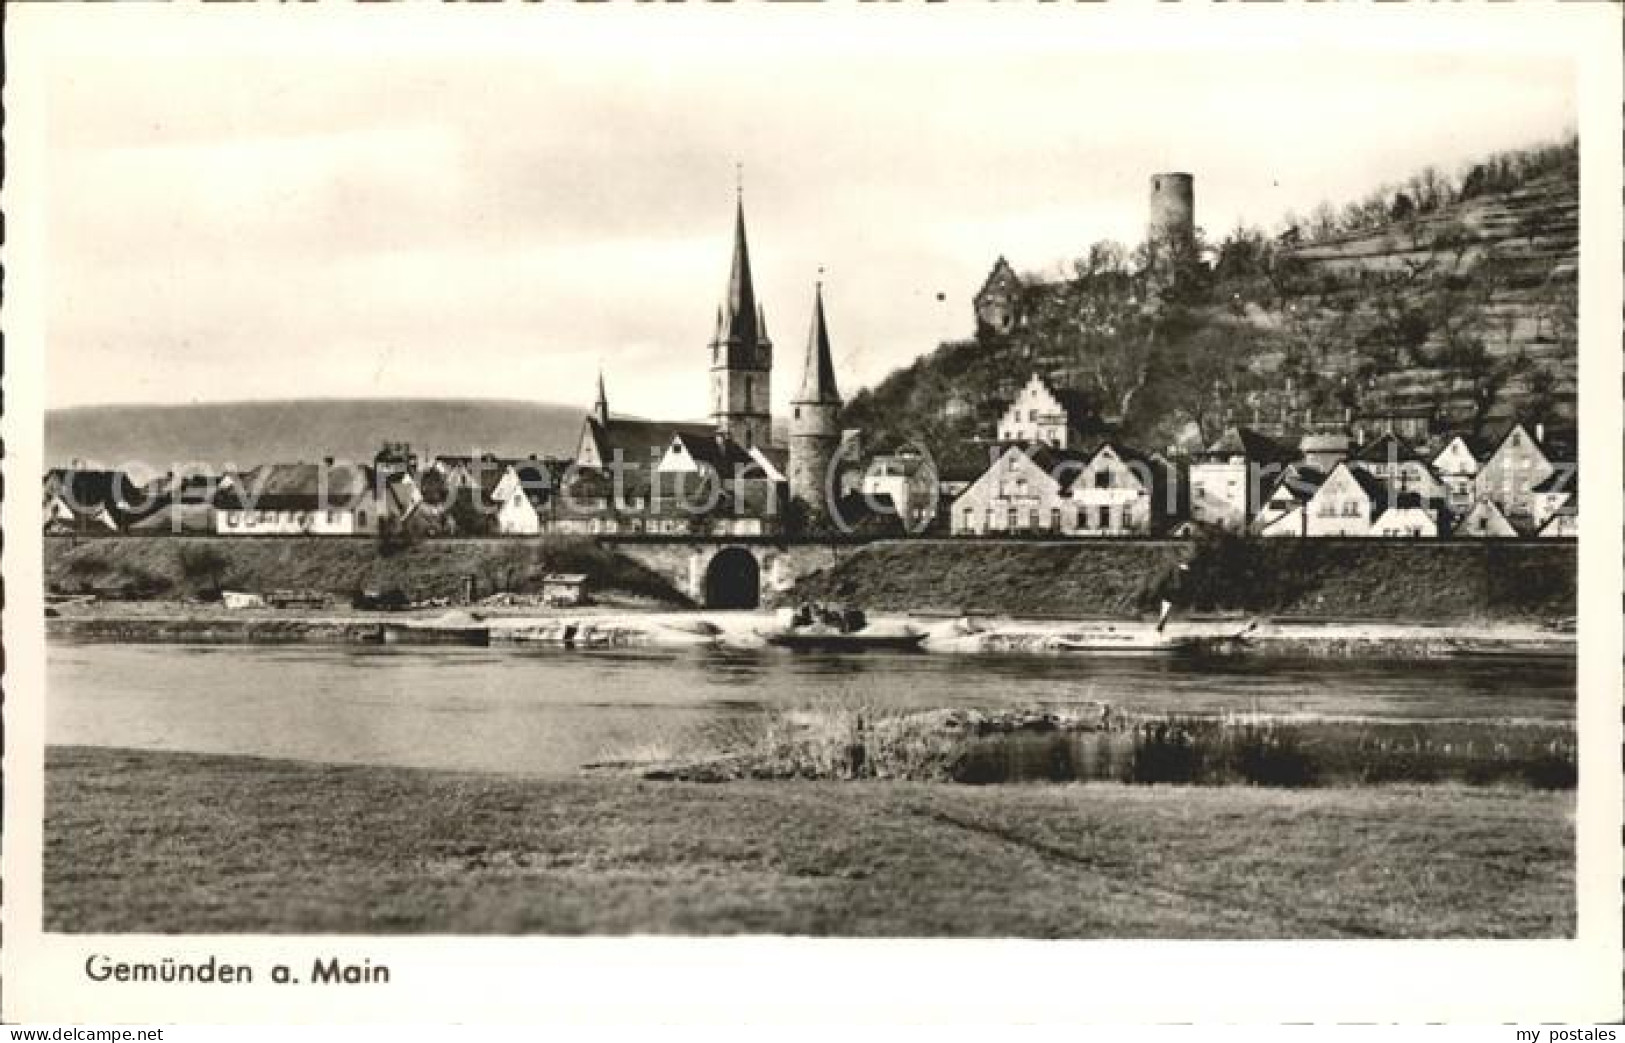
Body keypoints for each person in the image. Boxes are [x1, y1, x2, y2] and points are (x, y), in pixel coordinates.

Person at [1153, 562, 1192, 634]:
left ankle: (1160, 628)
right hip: (1170, 592)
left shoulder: (1173, 573)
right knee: (1165, 610)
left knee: (1165, 611)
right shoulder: (1174, 572)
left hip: (1170, 592)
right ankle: (1160, 628)